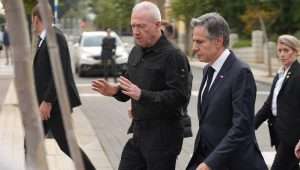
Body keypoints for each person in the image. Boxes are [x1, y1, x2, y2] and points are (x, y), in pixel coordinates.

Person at [91, 1, 189, 170]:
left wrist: (142, 95)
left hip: (163, 139)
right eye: (133, 26)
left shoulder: (173, 56)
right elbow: (129, 86)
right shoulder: (136, 51)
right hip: (139, 133)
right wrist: (115, 90)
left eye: (141, 26)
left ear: (157, 25)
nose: (136, 31)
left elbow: (180, 97)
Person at [186, 12, 267, 170]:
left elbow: (242, 127)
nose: (194, 48)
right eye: (194, 41)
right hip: (208, 158)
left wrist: (210, 163)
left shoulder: (240, 72)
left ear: (218, 41)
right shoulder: (208, 69)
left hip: (232, 162)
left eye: (200, 42)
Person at [31, 4, 95, 170]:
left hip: (55, 105)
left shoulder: (54, 37)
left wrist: (47, 101)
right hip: (48, 105)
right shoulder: (46, 37)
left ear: (36, 19)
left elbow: (59, 72)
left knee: (67, 146)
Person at [255, 34, 300, 170]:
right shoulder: (280, 74)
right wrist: (250, 125)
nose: (282, 54)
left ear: (296, 51)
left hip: (291, 137)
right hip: (278, 133)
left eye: (286, 50)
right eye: (280, 50)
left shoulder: (298, 75)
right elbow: (269, 105)